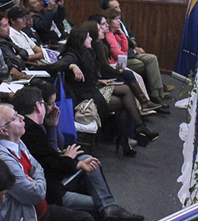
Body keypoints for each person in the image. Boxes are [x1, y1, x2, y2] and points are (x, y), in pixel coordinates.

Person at [14, 85, 144, 221]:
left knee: (88, 162)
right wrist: (72, 162)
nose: (53, 108)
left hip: (52, 176)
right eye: (48, 104)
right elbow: (49, 161)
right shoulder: (31, 131)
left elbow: (55, 149)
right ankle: (108, 214)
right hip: (51, 190)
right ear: (38, 105)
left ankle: (109, 209)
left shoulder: (38, 125)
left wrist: (53, 127)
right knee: (96, 198)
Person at [51, 27, 157, 156]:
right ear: (81, 40)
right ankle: (133, 132)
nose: (91, 39)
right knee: (125, 100)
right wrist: (71, 66)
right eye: (88, 37)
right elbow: (53, 67)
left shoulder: (86, 52)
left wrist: (98, 81)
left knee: (125, 90)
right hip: (83, 99)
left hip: (92, 90)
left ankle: (131, 133)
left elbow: (89, 76)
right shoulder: (71, 56)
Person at [98, 0, 173, 100]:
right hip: (121, 60)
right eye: (115, 8)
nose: (119, 10)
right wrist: (133, 50)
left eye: (119, 7)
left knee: (152, 58)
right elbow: (120, 54)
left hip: (128, 52)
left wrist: (128, 39)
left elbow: (126, 38)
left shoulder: (118, 22)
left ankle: (158, 90)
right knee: (143, 65)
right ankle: (154, 94)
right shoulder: (109, 33)